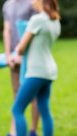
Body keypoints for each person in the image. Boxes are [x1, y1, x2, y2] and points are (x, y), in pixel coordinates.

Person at [12, 0, 61, 135]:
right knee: (44, 110)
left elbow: (21, 48)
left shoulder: (37, 19)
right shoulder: (55, 20)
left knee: (17, 109)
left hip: (36, 71)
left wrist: (16, 51)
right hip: (49, 71)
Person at [2, 0, 39, 135]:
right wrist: (8, 55)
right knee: (16, 94)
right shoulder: (7, 5)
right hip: (13, 57)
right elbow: (7, 30)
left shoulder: (32, 4)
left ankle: (33, 130)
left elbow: (35, 30)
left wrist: (23, 54)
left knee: (34, 95)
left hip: (30, 57)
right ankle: (13, 131)